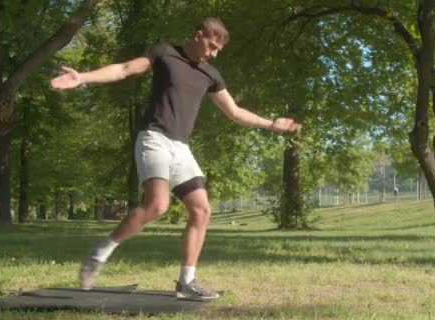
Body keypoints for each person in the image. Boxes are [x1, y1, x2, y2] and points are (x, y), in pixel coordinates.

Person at [50, 17, 301, 301]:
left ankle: (186, 282)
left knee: (202, 210)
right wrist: (82, 77)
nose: (214, 53)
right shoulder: (165, 53)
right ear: (198, 35)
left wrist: (271, 124)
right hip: (154, 138)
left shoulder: (211, 74)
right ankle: (100, 253)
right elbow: (124, 69)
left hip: (181, 148)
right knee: (157, 205)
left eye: (219, 49)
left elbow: (234, 111)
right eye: (212, 45)